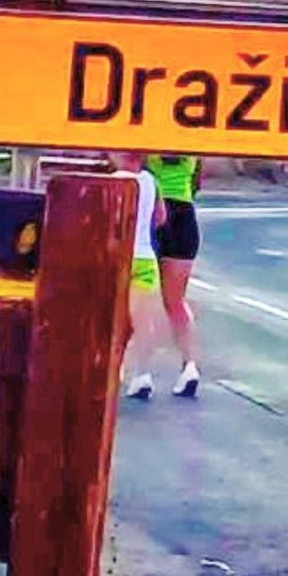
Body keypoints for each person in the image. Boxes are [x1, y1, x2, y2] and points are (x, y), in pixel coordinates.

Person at [145, 154, 203, 398]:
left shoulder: (150, 143)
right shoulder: (190, 147)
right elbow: (196, 181)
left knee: (141, 297)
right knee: (176, 301)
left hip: (152, 211)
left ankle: (141, 372)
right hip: (184, 215)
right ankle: (190, 366)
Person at [114, 151, 170, 399]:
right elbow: (161, 218)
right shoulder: (150, 180)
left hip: (118, 257)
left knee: (114, 319)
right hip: (145, 257)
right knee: (141, 320)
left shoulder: (114, 182)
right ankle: (142, 374)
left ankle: (114, 368)